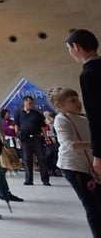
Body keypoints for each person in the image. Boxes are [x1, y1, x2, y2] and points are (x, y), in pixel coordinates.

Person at [51, 87, 101, 237]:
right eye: (72, 101)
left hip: (88, 166)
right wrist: (95, 144)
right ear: (60, 105)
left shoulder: (83, 118)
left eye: (77, 99)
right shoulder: (61, 120)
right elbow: (70, 145)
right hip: (74, 168)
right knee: (92, 206)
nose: (78, 103)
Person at [67, 28, 101, 175]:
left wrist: (98, 155)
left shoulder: (88, 74)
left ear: (76, 47)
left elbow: (96, 116)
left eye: (69, 48)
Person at [15, 95, 50, 186]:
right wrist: (17, 136)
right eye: (29, 103)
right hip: (25, 138)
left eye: (32, 103)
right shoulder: (19, 113)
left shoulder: (37, 113)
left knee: (41, 158)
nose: (31, 105)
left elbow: (42, 126)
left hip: (37, 137)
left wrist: (46, 137)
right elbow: (16, 125)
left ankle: (45, 179)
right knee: (27, 159)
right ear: (24, 102)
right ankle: (29, 179)